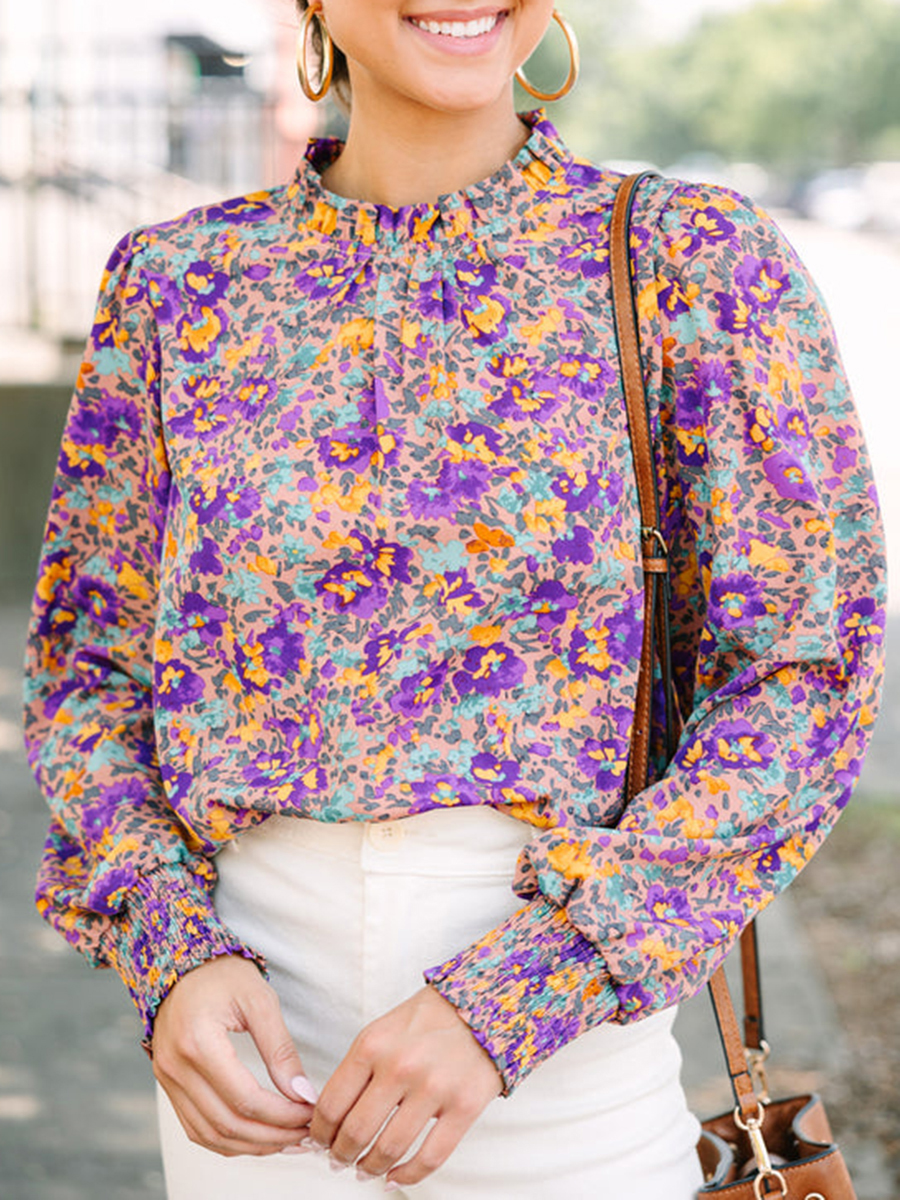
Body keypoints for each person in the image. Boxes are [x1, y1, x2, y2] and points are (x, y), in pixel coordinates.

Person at [22, 2, 886, 1197]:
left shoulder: (690, 258)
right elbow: (84, 669)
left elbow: (808, 668)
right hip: (250, 1075)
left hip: (563, 1079)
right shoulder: (179, 285)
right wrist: (168, 951)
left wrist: (522, 996)